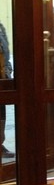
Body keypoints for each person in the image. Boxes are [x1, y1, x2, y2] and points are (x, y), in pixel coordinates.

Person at [0, 21, 13, 159]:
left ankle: (0, 144)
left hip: (2, 76)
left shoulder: (1, 27)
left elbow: (6, 53)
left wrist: (8, 69)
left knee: (1, 114)